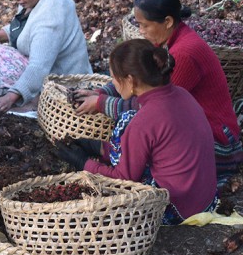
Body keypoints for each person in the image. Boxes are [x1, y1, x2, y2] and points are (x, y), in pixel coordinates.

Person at [75, 0, 242, 185]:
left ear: (168, 21)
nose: (141, 31)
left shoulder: (184, 55)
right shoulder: (167, 41)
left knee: (135, 131)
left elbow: (151, 109)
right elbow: (136, 71)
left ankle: (107, 154)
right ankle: (106, 151)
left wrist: (101, 103)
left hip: (216, 145)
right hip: (192, 129)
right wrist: (102, 91)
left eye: (144, 25)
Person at [57, 40, 217, 225]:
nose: (113, 84)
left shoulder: (142, 120)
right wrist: (99, 148)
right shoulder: (182, 94)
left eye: (114, 78)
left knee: (126, 121)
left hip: (177, 208)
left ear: (130, 81)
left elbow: (123, 180)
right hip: (206, 201)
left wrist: (83, 164)